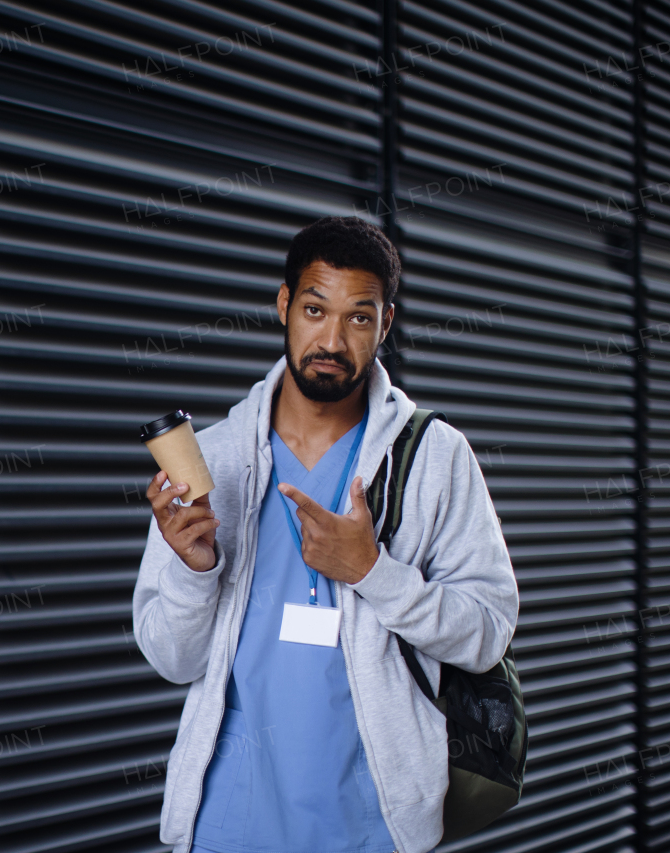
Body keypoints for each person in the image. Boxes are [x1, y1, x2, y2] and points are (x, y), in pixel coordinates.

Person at [132, 216, 519, 853]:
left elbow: (486, 633)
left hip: (370, 823)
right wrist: (193, 573)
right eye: (315, 309)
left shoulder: (433, 458)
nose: (332, 339)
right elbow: (172, 661)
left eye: (358, 318)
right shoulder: (214, 460)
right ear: (284, 305)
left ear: (385, 324)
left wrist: (373, 572)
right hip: (229, 821)